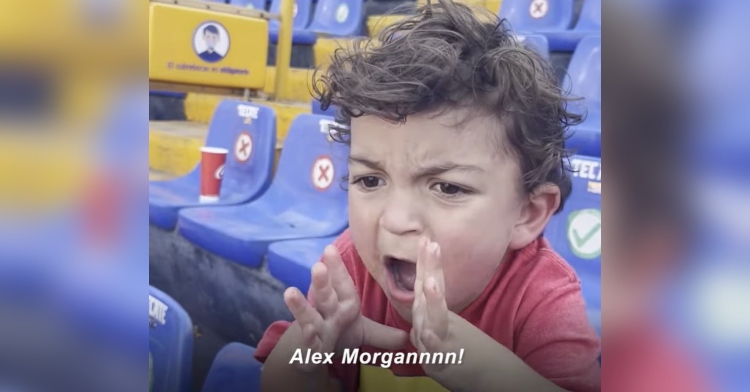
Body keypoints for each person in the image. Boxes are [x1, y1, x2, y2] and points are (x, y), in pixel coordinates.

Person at [256, 0, 601, 391]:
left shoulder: (542, 302)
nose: (396, 220)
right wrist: (309, 362)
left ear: (528, 213)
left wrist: (492, 376)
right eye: (370, 180)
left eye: (448, 187)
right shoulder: (350, 268)